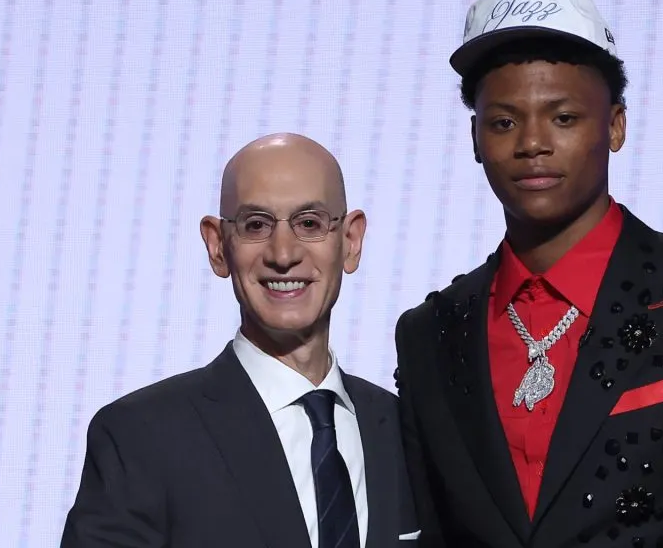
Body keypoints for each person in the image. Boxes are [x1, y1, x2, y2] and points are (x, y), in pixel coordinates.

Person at [394, 0, 663, 547]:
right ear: (475, 138)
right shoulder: (432, 335)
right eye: (503, 122)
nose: (532, 143)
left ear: (615, 125)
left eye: (563, 118)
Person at [62, 134, 422, 548]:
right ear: (218, 247)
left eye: (309, 223)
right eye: (256, 225)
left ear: (351, 241)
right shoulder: (141, 436)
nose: (283, 253)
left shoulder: (403, 432)